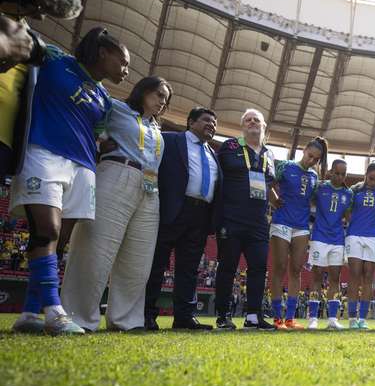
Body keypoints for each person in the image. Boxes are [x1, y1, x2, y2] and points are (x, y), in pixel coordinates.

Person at [9, 26, 129, 335]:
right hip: (44, 152)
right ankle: (55, 312)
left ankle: (30, 313)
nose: (126, 70)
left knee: (59, 242)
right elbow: (21, 37)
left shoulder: (104, 97)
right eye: (123, 62)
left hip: (84, 167)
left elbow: (98, 133)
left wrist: (106, 145)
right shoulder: (55, 59)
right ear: (103, 52)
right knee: (46, 230)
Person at [60, 76, 172, 332]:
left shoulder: (157, 128)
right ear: (142, 92)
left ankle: (126, 320)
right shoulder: (116, 108)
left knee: (139, 259)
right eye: (158, 95)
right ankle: (76, 316)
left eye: (166, 99)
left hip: (150, 187)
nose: (162, 102)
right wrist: (98, 142)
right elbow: (84, 119)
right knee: (95, 249)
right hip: (116, 172)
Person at [144, 107, 220, 330]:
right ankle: (146, 314)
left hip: (200, 216)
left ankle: (184, 317)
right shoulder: (169, 140)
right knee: (157, 264)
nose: (212, 125)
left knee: (189, 269)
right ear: (190, 122)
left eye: (215, 123)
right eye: (206, 120)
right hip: (173, 209)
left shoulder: (212, 153)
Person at [212, 108, 275, 330]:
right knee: (227, 267)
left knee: (258, 268)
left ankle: (253, 317)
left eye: (256, 120)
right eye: (247, 120)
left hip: (258, 222)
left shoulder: (270, 154)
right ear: (242, 126)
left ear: (263, 126)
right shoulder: (230, 146)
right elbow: (217, 175)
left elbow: (268, 183)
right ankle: (223, 315)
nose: (251, 123)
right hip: (231, 218)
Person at [268, 137, 323, 330]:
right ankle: (276, 318)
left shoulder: (315, 177)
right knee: (280, 267)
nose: (311, 161)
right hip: (282, 222)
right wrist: (274, 201)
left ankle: (290, 318)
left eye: (315, 159)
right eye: (310, 156)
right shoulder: (284, 166)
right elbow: (268, 183)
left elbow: (316, 200)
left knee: (296, 270)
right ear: (304, 150)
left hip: (302, 227)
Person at [307, 158, 352, 330]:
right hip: (319, 237)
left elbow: (348, 217)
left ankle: (332, 318)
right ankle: (313, 318)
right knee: (317, 276)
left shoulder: (348, 194)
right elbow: (307, 200)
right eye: (337, 173)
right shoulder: (320, 187)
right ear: (331, 171)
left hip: (337, 239)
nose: (340, 177)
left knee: (335, 278)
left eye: (343, 174)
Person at [345, 162, 375, 329]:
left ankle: (362, 319)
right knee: (355, 274)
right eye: (371, 178)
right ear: (365, 175)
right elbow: (346, 210)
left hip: (373, 238)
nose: (373, 182)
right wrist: (354, 222)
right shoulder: (355, 190)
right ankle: (351, 318)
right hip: (355, 235)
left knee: (368, 277)